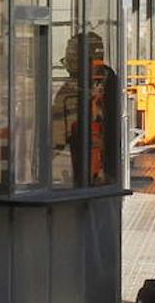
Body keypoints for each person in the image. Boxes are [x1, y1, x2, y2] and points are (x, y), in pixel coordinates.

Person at [51, 31, 120, 186]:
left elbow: (57, 139)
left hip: (82, 171)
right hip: (107, 172)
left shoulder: (69, 93)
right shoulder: (110, 80)